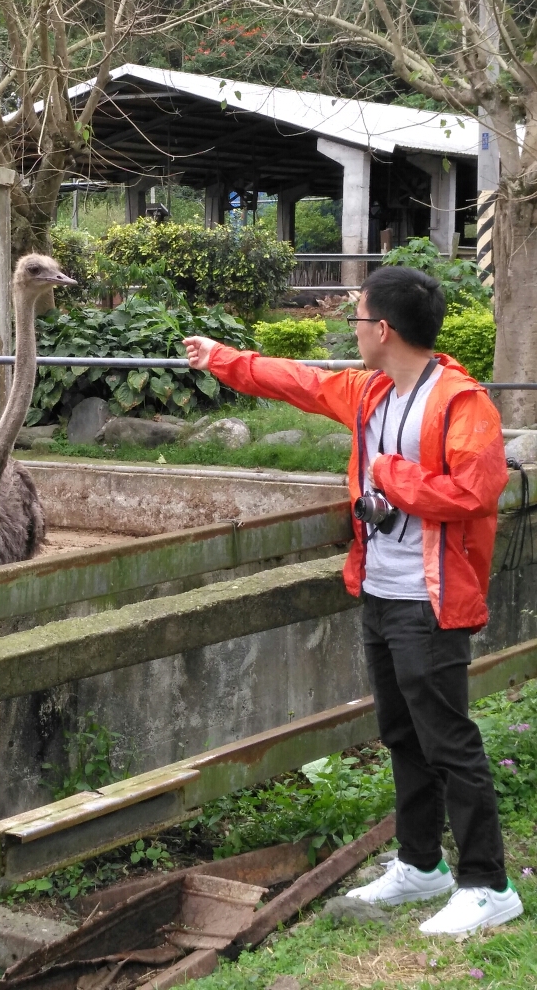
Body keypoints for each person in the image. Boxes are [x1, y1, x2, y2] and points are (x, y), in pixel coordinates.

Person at [183, 265, 523, 935]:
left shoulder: (460, 402)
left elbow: (476, 494)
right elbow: (298, 381)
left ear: (384, 329)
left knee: (449, 739)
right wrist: (222, 359)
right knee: (401, 732)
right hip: (380, 589)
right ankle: (422, 866)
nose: (354, 329)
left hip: (432, 599)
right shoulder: (370, 391)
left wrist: (392, 477)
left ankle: (488, 883)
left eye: (358, 319)